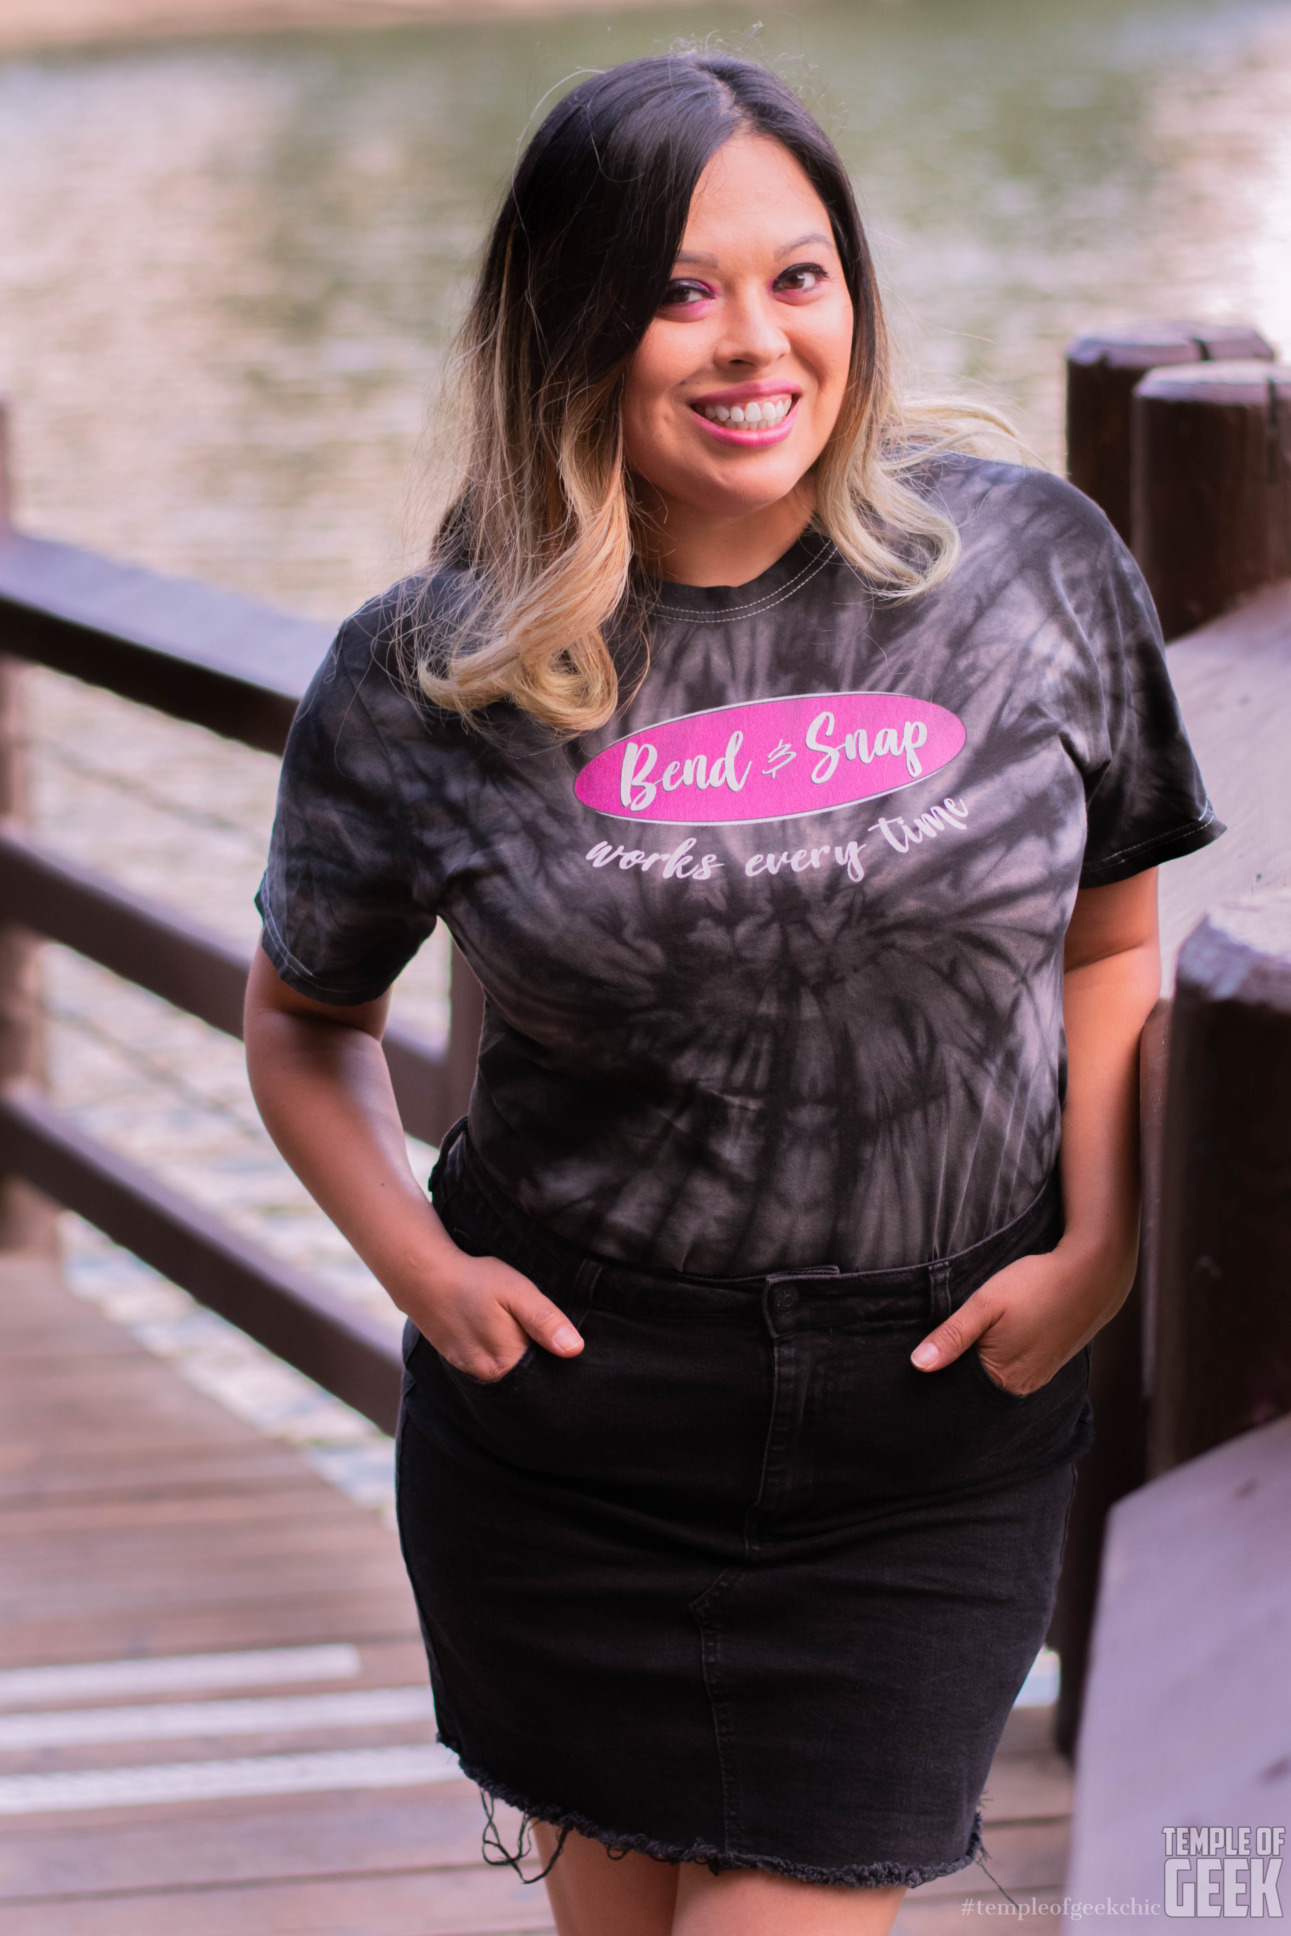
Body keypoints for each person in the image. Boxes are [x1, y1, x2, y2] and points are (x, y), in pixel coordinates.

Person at [245, 53, 1222, 1936]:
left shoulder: (1030, 571)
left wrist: (1104, 1244)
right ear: (573, 322)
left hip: (933, 1427)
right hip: (575, 1436)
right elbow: (304, 1023)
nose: (757, 342)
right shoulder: (432, 671)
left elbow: (1113, 939)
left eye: (801, 276)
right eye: (681, 290)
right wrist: (420, 1271)